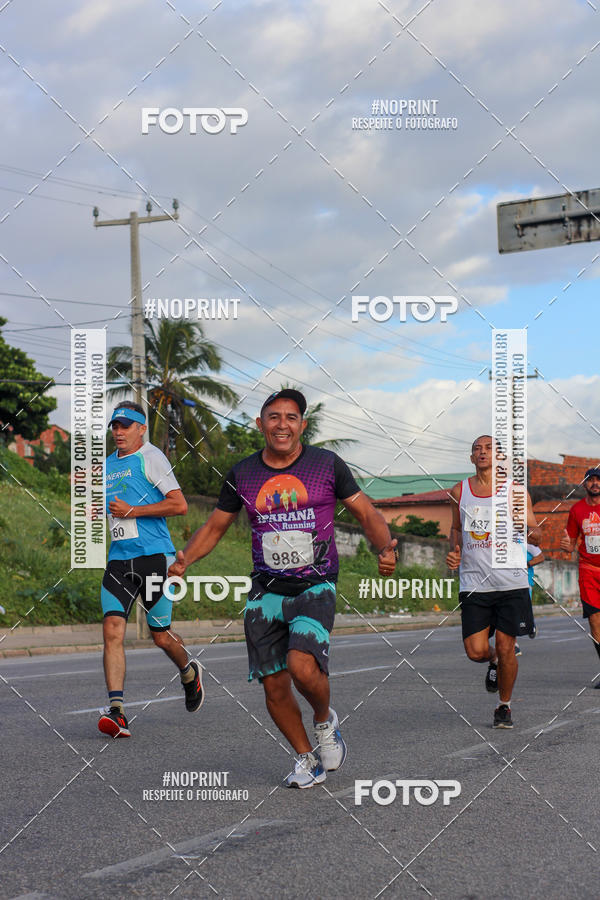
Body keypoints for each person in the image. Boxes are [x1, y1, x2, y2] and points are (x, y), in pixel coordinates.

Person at [169, 389, 397, 787]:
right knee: (274, 684)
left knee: (301, 667)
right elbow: (216, 526)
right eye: (273, 417)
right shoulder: (243, 473)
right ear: (260, 424)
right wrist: (186, 559)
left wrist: (384, 547)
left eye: (291, 417)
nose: (282, 424)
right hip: (266, 592)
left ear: (302, 426)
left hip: (316, 584)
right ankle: (307, 759)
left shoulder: (326, 465)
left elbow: (365, 511)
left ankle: (325, 722)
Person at [98, 402, 203, 738]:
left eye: (125, 426)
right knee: (113, 628)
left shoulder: (151, 456)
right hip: (118, 560)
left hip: (155, 558)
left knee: (161, 636)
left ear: (141, 428)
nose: (118, 431)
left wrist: (133, 511)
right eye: (115, 426)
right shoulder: (107, 466)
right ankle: (117, 712)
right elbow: (108, 511)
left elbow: (179, 504)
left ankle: (188, 672)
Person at [446, 435, 541, 729]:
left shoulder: (516, 492)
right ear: (471, 458)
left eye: (489, 448)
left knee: (505, 645)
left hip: (511, 582)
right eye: (477, 449)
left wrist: (522, 523)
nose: (482, 452)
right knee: (475, 651)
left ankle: (504, 706)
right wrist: (454, 554)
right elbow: (455, 529)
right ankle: (495, 662)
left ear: (500, 458)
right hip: (474, 583)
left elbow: (536, 535)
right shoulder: (459, 491)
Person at [560, 467, 600, 688]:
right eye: (590, 480)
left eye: (598, 480)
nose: (595, 483)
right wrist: (566, 546)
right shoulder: (576, 510)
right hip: (588, 572)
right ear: (584, 484)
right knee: (595, 623)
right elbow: (571, 545)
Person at [517, 536, 544, 655]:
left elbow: (541, 557)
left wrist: (527, 564)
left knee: (523, 609)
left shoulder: (524, 540)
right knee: (510, 612)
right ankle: (514, 645)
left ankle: (530, 624)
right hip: (507, 582)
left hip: (525, 581)